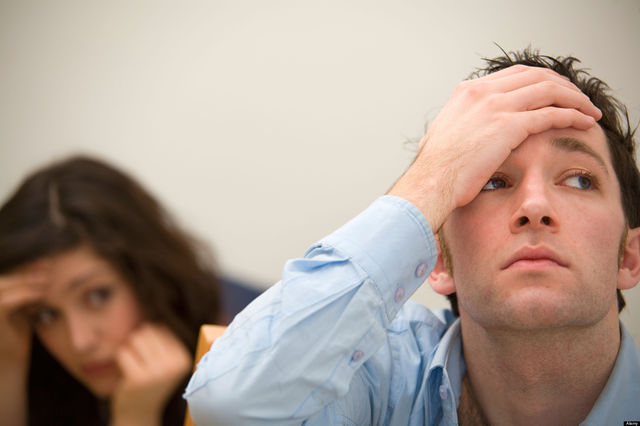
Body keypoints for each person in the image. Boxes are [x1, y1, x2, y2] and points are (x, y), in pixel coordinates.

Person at [185, 48, 640, 425]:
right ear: (440, 261)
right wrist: (433, 177)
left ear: (629, 257)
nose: (534, 207)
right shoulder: (377, 378)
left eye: (580, 180)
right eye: (494, 181)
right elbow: (226, 404)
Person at [0, 156, 222, 426]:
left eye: (97, 296)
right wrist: (8, 364)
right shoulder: (28, 357)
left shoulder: (227, 377)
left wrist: (136, 414)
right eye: (45, 315)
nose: (80, 342)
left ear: (149, 278)